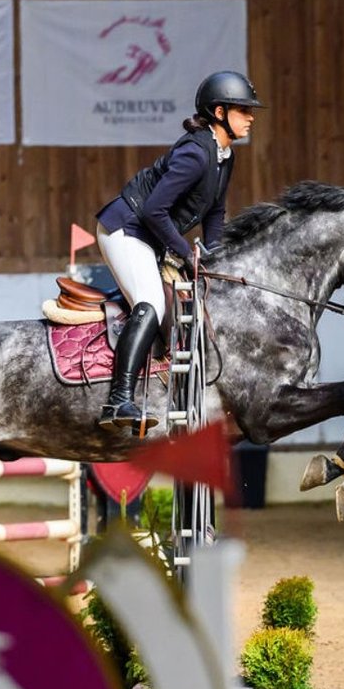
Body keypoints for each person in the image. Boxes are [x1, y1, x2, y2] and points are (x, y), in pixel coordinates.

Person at [93, 70, 263, 432]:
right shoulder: (196, 154)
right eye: (243, 110)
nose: (251, 117)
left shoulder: (225, 155)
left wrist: (215, 258)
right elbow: (154, 210)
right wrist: (187, 253)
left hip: (149, 236)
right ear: (219, 112)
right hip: (125, 229)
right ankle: (118, 400)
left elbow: (215, 212)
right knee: (152, 302)